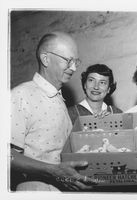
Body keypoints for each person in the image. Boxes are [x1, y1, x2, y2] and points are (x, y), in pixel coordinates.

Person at [11, 31, 97, 191]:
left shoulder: (58, 98)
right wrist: (53, 171)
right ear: (45, 59)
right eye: (68, 60)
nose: (73, 68)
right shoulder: (20, 95)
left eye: (76, 61)